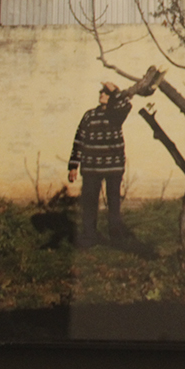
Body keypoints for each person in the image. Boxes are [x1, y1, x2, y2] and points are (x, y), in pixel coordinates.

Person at [68, 81, 134, 247]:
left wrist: (116, 90)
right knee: (89, 203)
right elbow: (79, 139)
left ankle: (115, 237)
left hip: (113, 167)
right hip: (91, 167)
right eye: (101, 92)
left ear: (112, 98)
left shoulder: (117, 115)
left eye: (106, 93)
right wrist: (73, 166)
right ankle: (89, 236)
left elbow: (126, 105)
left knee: (113, 203)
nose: (101, 94)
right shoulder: (89, 115)